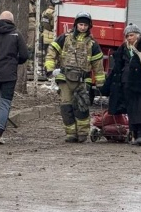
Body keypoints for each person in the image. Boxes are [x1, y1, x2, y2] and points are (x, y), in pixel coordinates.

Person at [44, 12, 105, 142]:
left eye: (85, 25)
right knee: (66, 107)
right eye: (81, 24)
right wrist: (50, 69)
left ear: (89, 26)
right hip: (65, 79)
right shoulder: (64, 38)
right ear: (76, 24)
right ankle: (70, 134)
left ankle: (82, 134)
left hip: (83, 81)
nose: (83, 27)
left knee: (81, 107)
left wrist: (100, 83)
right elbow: (51, 52)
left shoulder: (93, 44)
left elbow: (98, 65)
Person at [103, 24, 141, 146]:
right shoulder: (123, 48)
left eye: (131, 35)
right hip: (127, 84)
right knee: (131, 110)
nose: (129, 38)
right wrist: (107, 86)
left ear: (138, 34)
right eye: (127, 36)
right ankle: (134, 135)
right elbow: (116, 68)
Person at [0, 10, 30, 144]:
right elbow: (24, 55)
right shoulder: (16, 34)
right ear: (12, 20)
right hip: (9, 74)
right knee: (5, 103)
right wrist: (14, 61)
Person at [27, 0, 37, 78]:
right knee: (29, 46)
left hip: (33, 27)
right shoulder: (28, 4)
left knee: (32, 46)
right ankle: (28, 65)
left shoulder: (33, 4)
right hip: (30, 27)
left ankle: (31, 64)